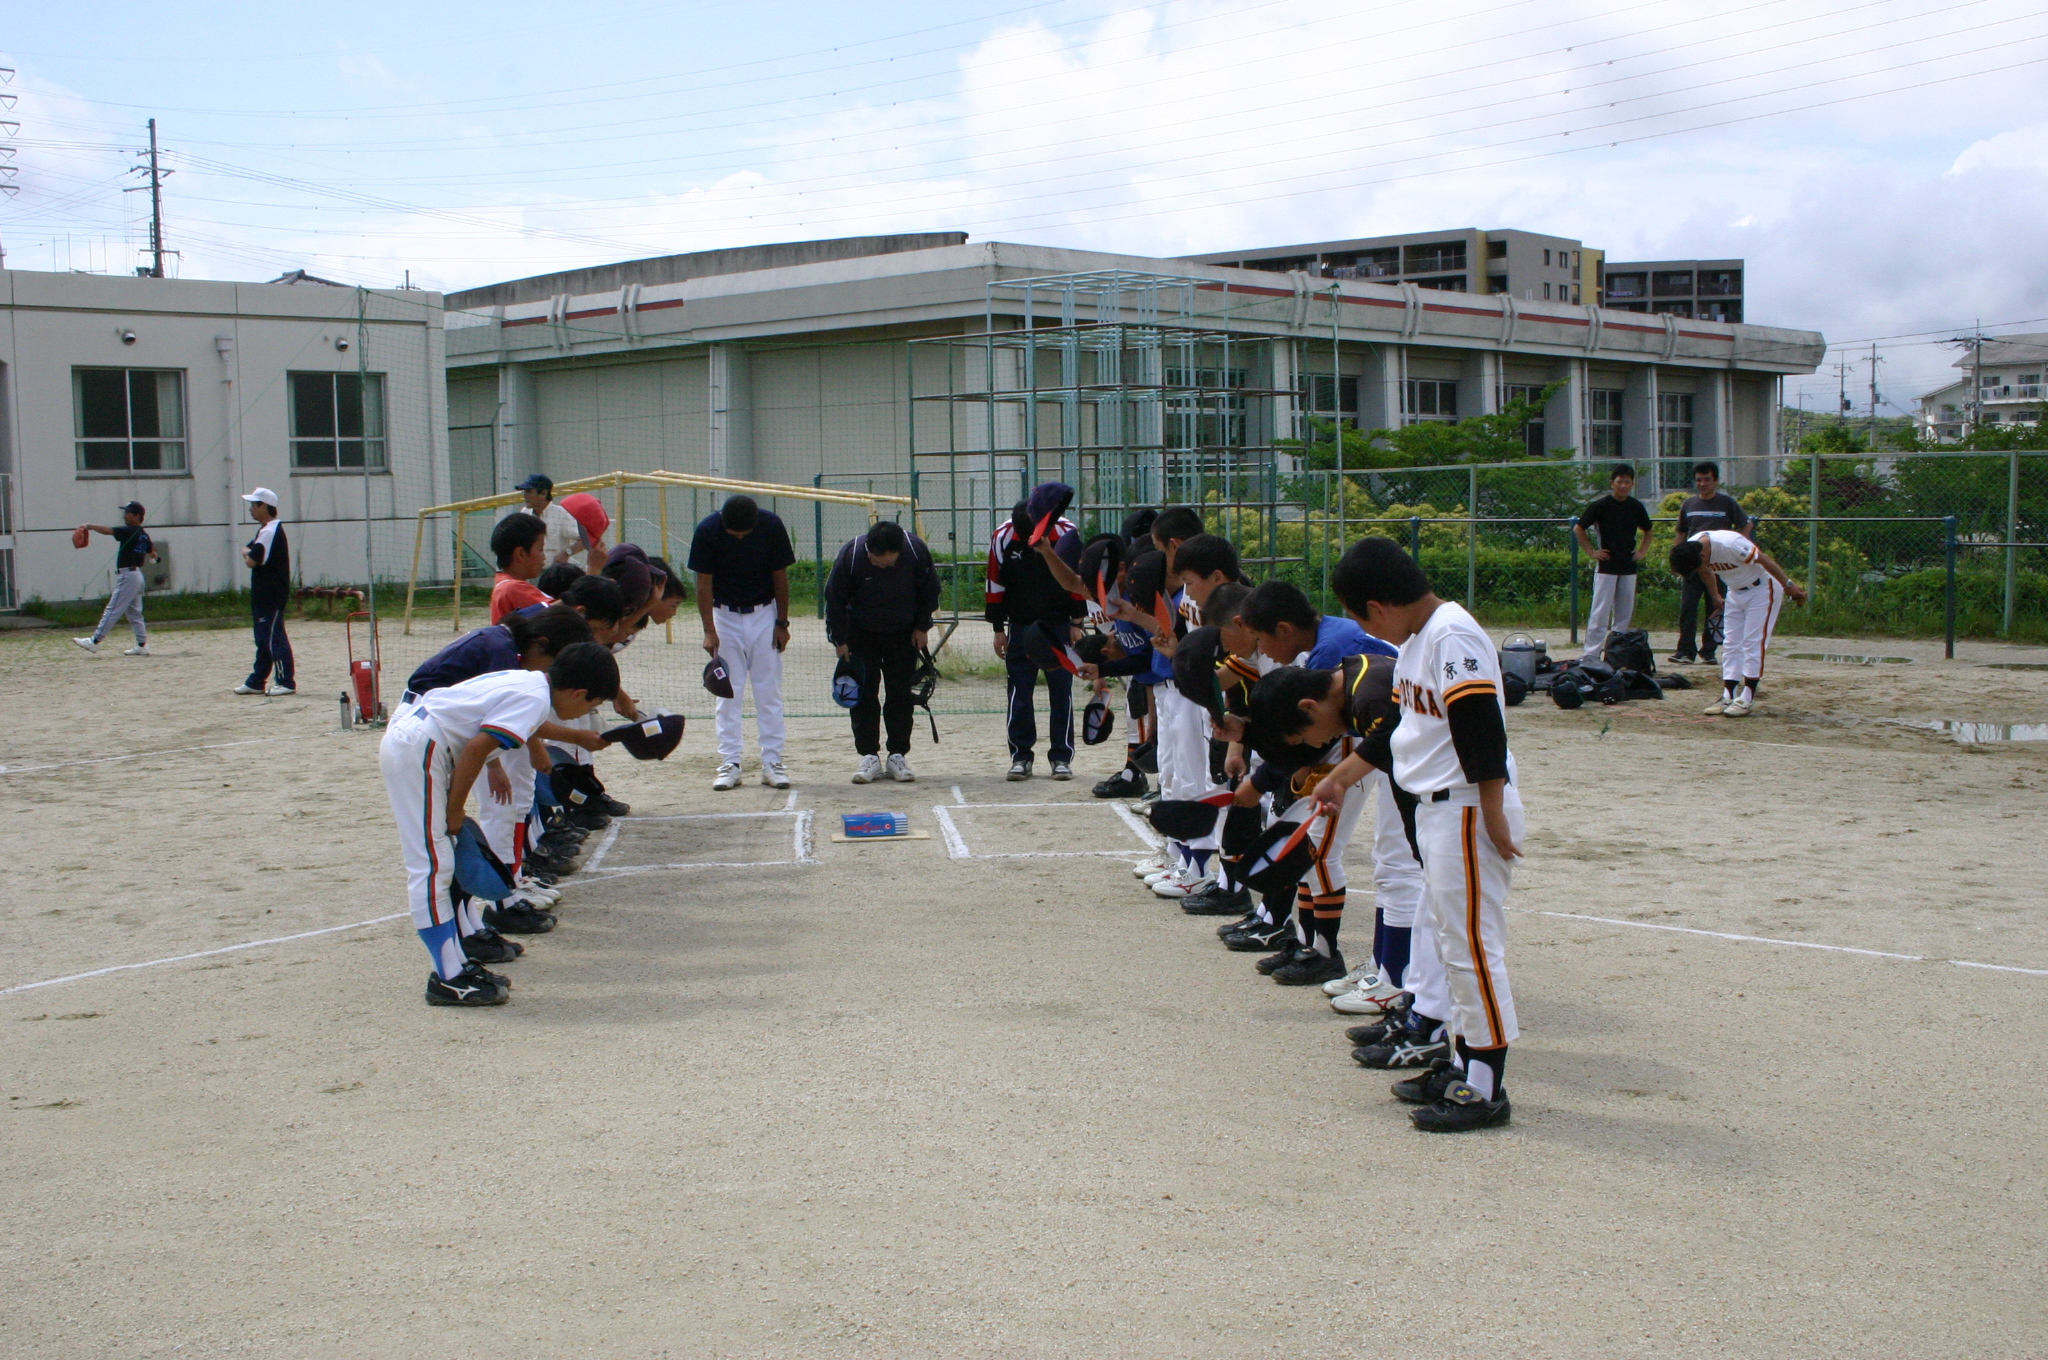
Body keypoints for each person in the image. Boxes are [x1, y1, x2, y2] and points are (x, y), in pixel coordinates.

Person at [1330, 535, 1524, 1132]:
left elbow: (1479, 719)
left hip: (1466, 804)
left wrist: (1491, 808)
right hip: (1442, 806)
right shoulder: (1421, 639)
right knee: (1449, 944)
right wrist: (1341, 775)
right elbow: (1404, 730)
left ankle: (1486, 1086)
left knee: (1470, 947)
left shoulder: (1450, 634)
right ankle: (1462, 1062)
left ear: (1377, 608)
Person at [378, 641, 618, 1007]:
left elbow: (522, 725)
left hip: (422, 741)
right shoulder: (535, 698)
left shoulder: (533, 683)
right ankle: (447, 979)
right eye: (591, 705)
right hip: (421, 750)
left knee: (442, 860)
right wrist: (456, 810)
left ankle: (457, 962)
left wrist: (577, 737)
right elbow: (477, 747)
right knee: (432, 864)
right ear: (578, 692)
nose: (586, 713)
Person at [690, 494, 796, 790]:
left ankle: (772, 761)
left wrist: (782, 623)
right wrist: (709, 630)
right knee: (727, 692)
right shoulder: (708, 530)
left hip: (764, 613)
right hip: (724, 616)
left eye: (743, 533)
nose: (738, 537)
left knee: (768, 690)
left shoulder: (771, 526)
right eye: (732, 532)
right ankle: (730, 762)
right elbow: (703, 583)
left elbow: (780, 577)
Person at [824, 518, 940, 784]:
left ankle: (897, 755)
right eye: (877, 561)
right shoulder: (852, 555)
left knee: (900, 694)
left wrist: (922, 627)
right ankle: (869, 756)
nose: (882, 565)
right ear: (869, 549)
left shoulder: (916, 551)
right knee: (863, 695)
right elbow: (834, 600)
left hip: (904, 634)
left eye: (888, 562)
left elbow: (930, 591)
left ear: (899, 552)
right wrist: (839, 640)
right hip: (860, 635)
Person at [985, 488, 1085, 781]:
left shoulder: (1067, 533)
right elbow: (994, 583)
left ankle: (1061, 758)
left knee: (1062, 692)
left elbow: (1078, 579)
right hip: (1020, 623)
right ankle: (1021, 757)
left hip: (1059, 623)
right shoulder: (1003, 536)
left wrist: (1077, 622)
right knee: (1019, 692)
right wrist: (997, 629)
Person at [1668, 529, 1807, 717]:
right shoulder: (1692, 548)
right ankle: (1728, 694)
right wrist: (1716, 596)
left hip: (1762, 589)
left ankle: (1747, 697)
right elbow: (1705, 571)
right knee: (1731, 642)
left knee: (1753, 642)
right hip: (1734, 591)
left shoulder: (1729, 543)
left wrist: (1788, 585)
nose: (1701, 567)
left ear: (1703, 554)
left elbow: (1764, 559)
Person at [1670, 461, 1752, 666]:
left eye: (1707, 479)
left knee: (1715, 605)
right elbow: (1681, 531)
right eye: (1699, 480)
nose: (1703, 484)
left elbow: (1745, 524)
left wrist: (1736, 548)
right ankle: (1685, 650)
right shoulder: (1689, 505)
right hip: (1693, 563)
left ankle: (1709, 650)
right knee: (1688, 607)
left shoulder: (1726, 503)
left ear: (1715, 480)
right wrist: (1677, 559)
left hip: (1717, 564)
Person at [1573, 464, 1654, 663]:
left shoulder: (1636, 506)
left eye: (1627, 482)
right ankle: (1591, 653)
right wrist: (1592, 551)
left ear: (1632, 484)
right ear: (1612, 483)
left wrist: (1642, 551)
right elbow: (1579, 528)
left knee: (1624, 613)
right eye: (1620, 482)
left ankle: (1616, 653)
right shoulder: (1600, 505)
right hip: (1607, 565)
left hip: (1628, 565)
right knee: (1600, 611)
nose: (1623, 486)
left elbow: (1648, 530)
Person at [72, 501, 155, 657]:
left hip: (128, 575)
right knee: (135, 613)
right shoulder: (143, 534)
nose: (125, 515)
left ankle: (94, 641)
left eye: (128, 513)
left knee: (113, 609)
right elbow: (152, 551)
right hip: (136, 575)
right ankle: (142, 645)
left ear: (137, 516)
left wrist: (89, 526)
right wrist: (154, 558)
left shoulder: (130, 530)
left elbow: (109, 531)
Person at [236, 488, 295, 696]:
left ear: (264, 506)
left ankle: (286, 681)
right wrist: (247, 551)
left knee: (273, 638)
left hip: (271, 594)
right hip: (263, 594)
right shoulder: (265, 530)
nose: (251, 509)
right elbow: (249, 549)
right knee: (263, 638)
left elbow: (252, 559)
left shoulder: (270, 530)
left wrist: (247, 553)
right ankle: (257, 680)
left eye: (254, 505)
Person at [516, 474, 593, 569]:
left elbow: (586, 539)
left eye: (529, 491)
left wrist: (566, 553)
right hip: (531, 571)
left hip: (555, 571)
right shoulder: (525, 513)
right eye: (524, 492)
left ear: (543, 493)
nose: (525, 496)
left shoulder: (561, 513)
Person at [489, 512, 551, 624]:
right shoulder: (513, 588)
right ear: (521, 553)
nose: (544, 557)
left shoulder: (503, 584)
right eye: (540, 549)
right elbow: (563, 615)